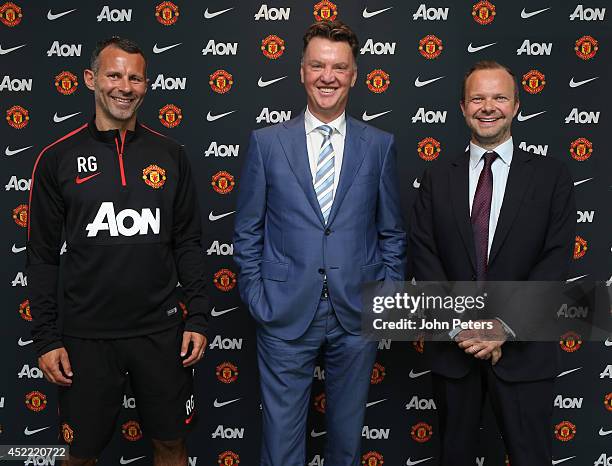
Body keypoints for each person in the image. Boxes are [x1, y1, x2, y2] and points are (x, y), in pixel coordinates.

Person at [27, 37, 209, 465]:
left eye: (134, 77)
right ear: (91, 79)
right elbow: (41, 258)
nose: (124, 86)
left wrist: (198, 316)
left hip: (161, 334)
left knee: (171, 445)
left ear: (146, 85)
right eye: (114, 75)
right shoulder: (57, 159)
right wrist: (47, 337)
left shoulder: (170, 155)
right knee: (80, 452)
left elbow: (189, 244)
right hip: (86, 337)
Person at [233, 20, 406, 466]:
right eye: (318, 65)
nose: (327, 76)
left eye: (339, 67)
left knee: (347, 440)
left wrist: (385, 298)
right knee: (280, 441)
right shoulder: (267, 144)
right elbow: (248, 229)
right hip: (284, 310)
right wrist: (258, 297)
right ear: (301, 72)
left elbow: (391, 232)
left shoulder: (380, 145)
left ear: (354, 75)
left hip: (356, 312)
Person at [409, 61, 575, 466]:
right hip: (455, 350)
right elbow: (425, 255)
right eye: (477, 98)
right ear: (462, 108)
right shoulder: (437, 177)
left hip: (524, 354)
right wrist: (463, 327)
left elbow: (555, 260)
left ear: (516, 105)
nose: (488, 107)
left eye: (499, 97)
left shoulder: (552, 177)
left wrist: (503, 325)